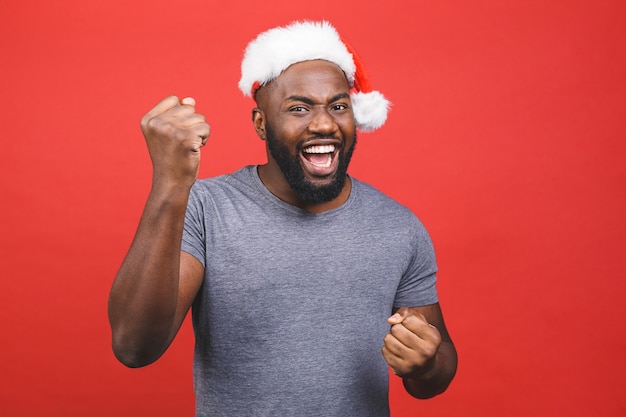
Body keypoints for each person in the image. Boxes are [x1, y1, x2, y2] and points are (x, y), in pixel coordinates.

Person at [108, 20, 457, 416]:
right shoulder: (206, 209)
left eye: (338, 106)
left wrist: (426, 363)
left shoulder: (398, 227)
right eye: (298, 108)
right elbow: (134, 347)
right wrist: (170, 185)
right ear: (262, 124)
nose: (324, 123)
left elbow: (438, 369)